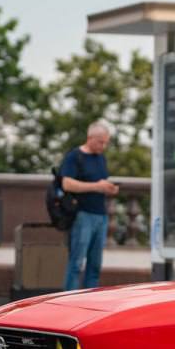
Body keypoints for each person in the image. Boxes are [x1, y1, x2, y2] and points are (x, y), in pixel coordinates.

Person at [60, 121, 119, 290]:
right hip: (82, 215)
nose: (104, 145)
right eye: (101, 141)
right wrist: (97, 186)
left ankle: (89, 300)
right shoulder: (74, 156)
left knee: (95, 265)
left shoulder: (100, 158)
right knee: (76, 263)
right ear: (90, 138)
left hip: (101, 215)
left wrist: (108, 187)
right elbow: (67, 184)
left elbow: (100, 181)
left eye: (106, 142)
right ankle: (69, 301)